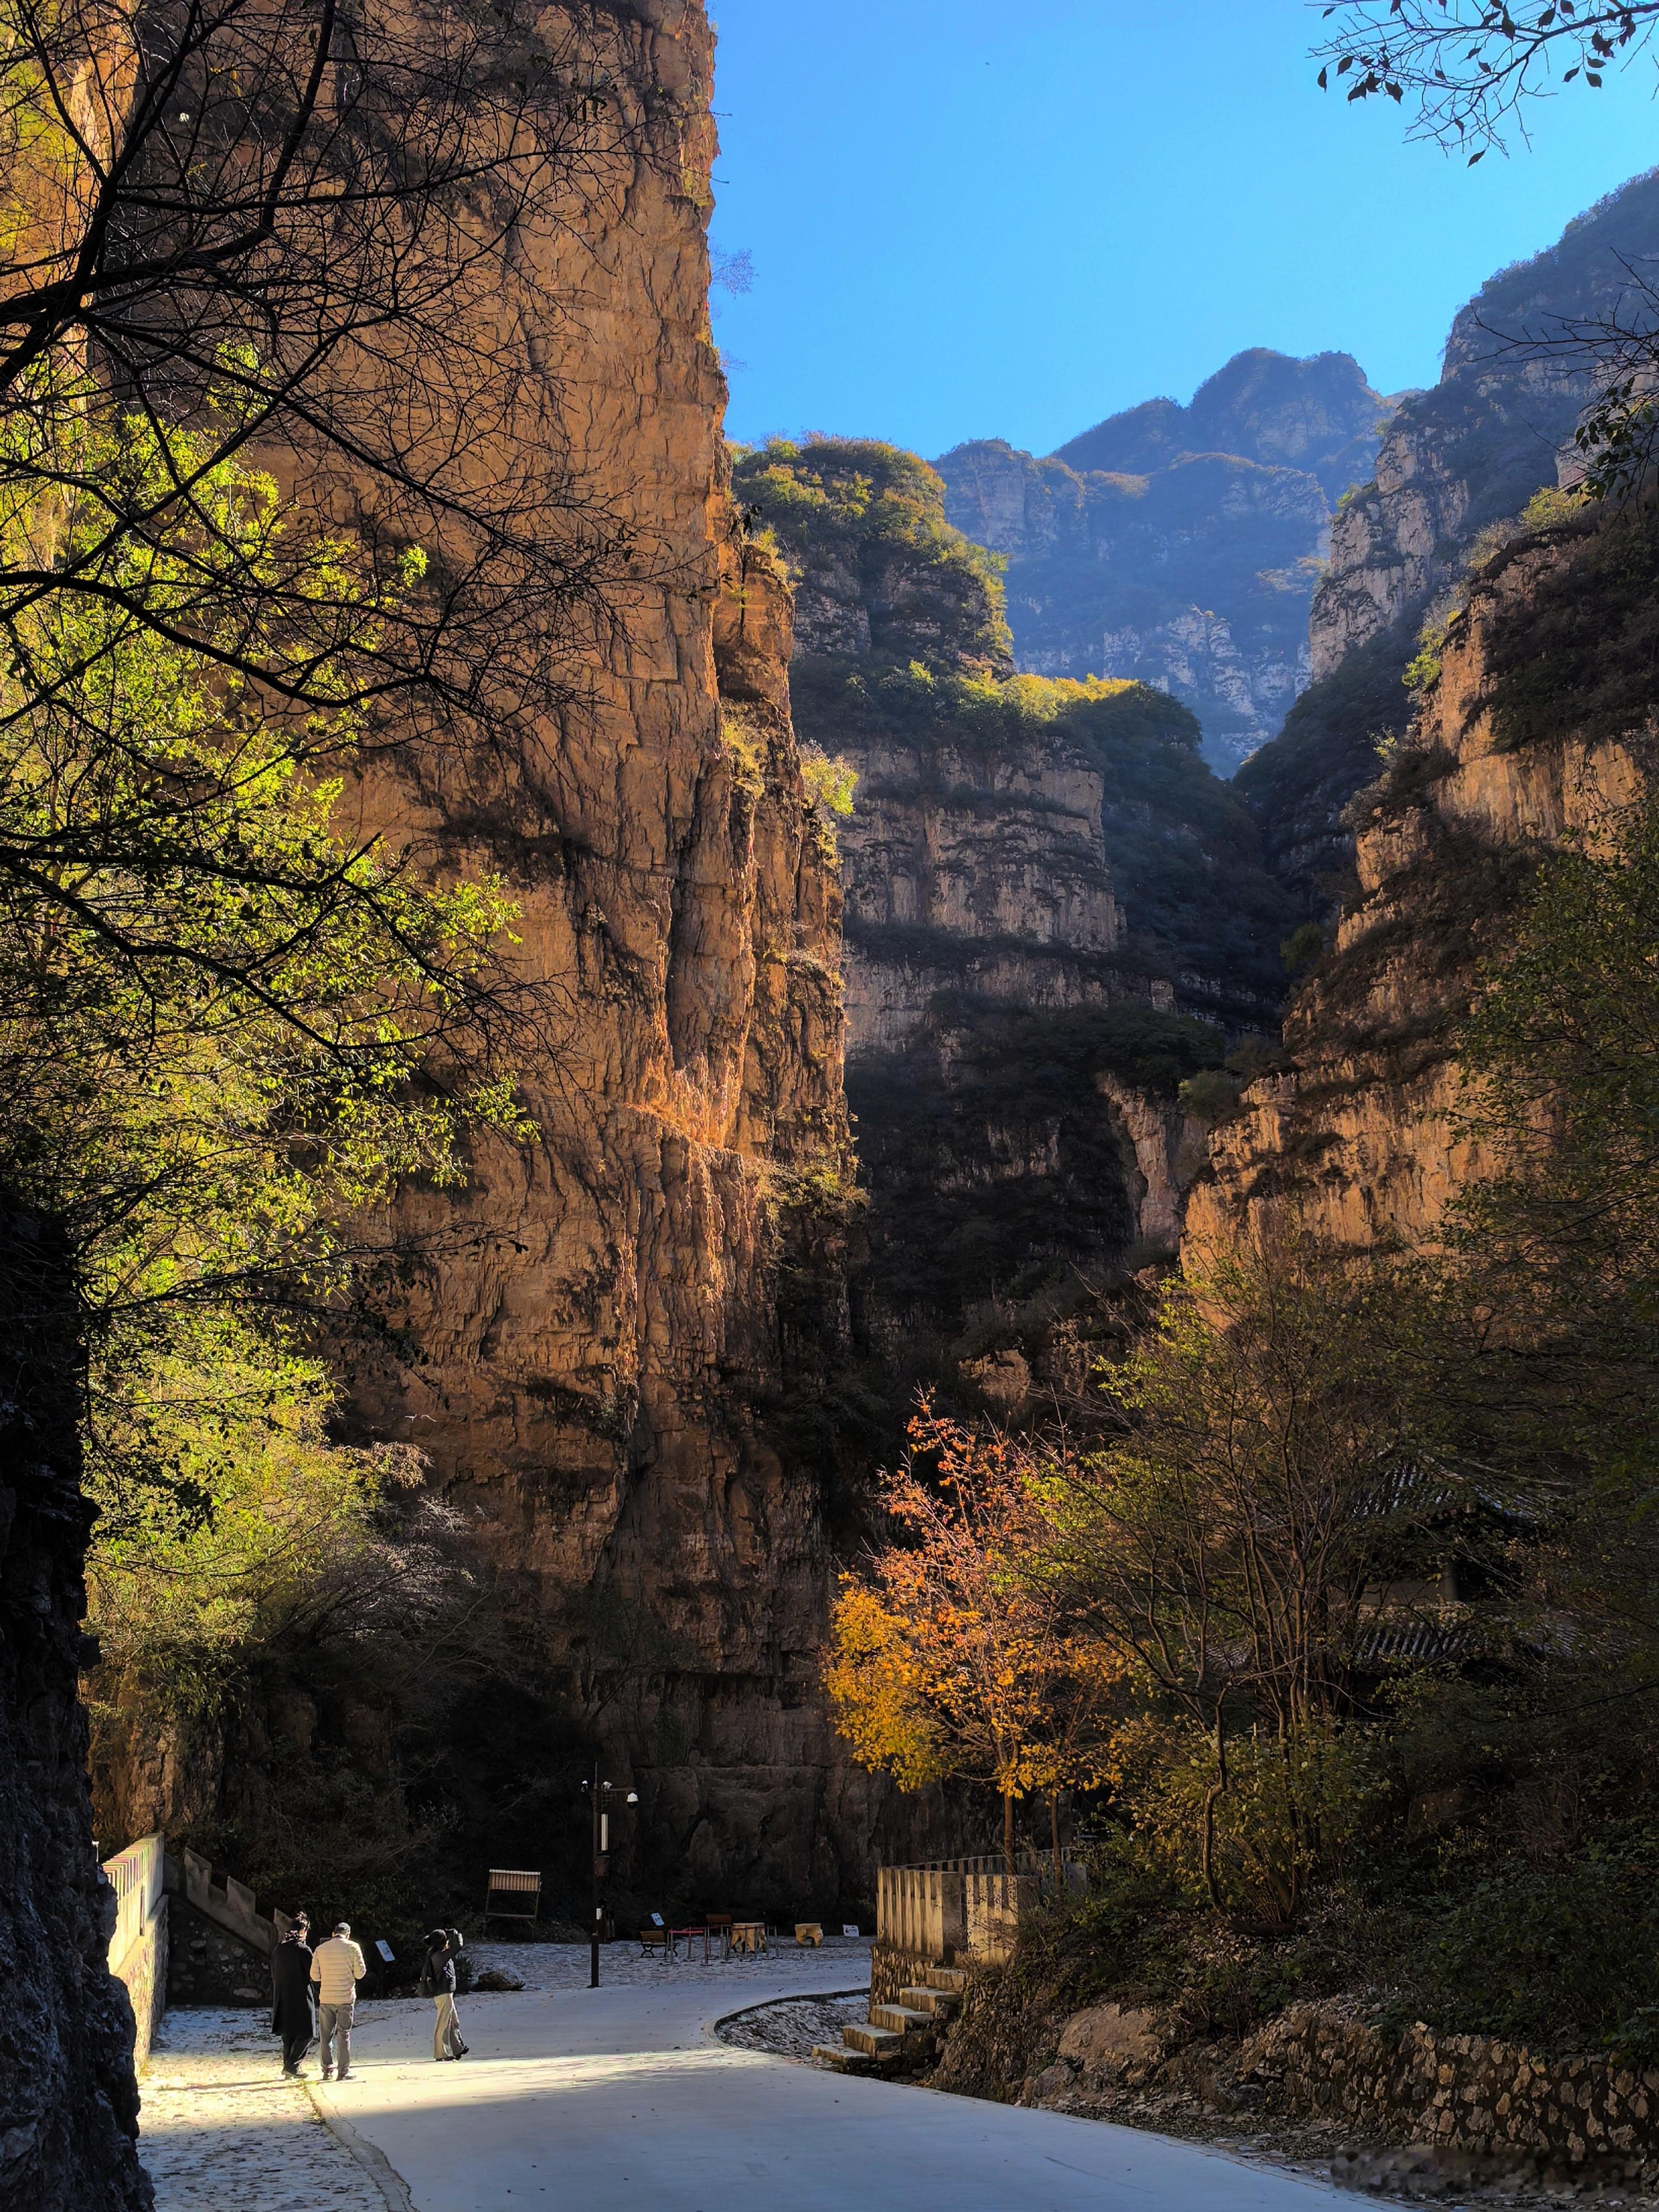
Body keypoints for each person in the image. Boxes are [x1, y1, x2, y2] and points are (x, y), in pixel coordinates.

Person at [309, 1919, 367, 2080]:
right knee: (344, 2035)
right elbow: (360, 1974)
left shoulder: (320, 1949)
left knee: (325, 2036)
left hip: (326, 1998)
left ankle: (327, 2070)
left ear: (333, 1934)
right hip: (346, 1998)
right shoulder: (353, 1947)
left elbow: (314, 1976)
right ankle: (343, 2071)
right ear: (348, 1934)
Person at [271, 1912, 315, 2077]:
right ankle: (293, 2065)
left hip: (282, 1996)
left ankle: (287, 2066)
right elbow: (312, 1973)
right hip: (301, 1995)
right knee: (307, 2032)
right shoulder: (303, 1950)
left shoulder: (279, 1949)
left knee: (288, 2034)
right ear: (303, 1930)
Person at [419, 1927, 468, 2062]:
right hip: (443, 1993)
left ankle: (457, 2048)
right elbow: (458, 1947)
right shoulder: (440, 1955)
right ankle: (441, 2052)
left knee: (453, 2021)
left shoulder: (438, 1954)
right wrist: (454, 1933)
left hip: (445, 1993)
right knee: (443, 2023)